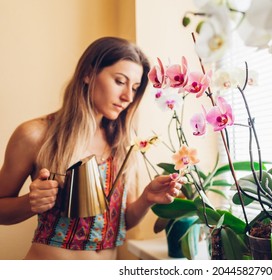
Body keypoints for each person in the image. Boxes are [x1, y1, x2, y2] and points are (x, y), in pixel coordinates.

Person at [0, 37, 182, 259]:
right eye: (119, 81)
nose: (128, 97)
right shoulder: (35, 135)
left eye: (135, 88)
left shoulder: (124, 143)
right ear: (88, 73)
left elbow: (123, 221)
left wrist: (147, 199)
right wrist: (30, 203)